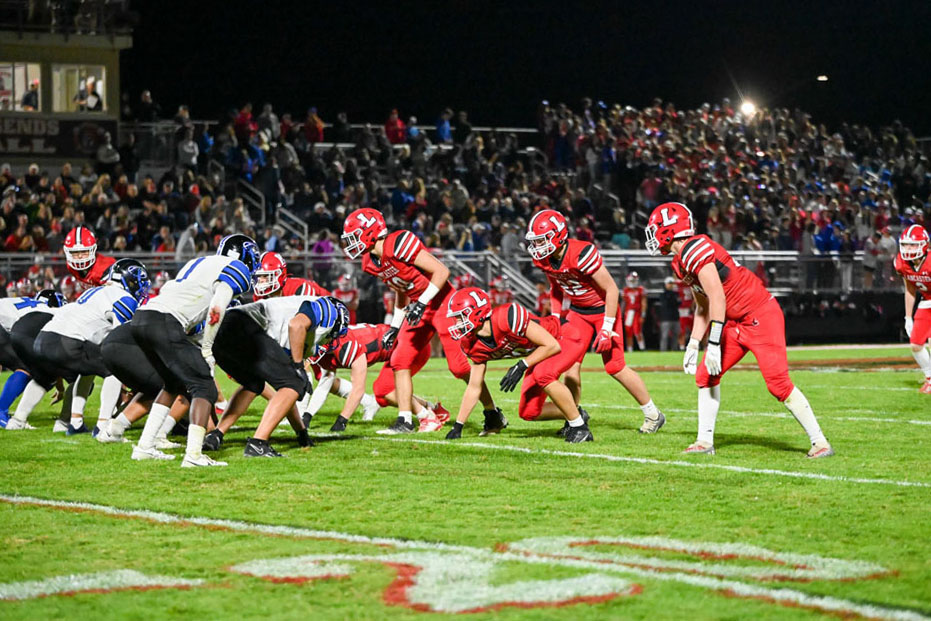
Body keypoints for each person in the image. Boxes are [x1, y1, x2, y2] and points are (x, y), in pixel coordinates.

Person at [645, 201, 833, 458]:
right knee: (705, 376)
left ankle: (820, 442)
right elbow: (703, 305)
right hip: (734, 322)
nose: (652, 234)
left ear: (669, 229)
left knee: (777, 384)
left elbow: (717, 297)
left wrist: (712, 344)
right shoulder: (680, 261)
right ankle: (704, 442)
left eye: (655, 228)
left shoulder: (694, 249)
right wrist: (693, 342)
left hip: (760, 316)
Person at [342, 208, 502, 434]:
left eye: (355, 234)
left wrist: (422, 302)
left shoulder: (397, 243)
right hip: (419, 307)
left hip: (444, 304)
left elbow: (441, 271)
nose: (352, 242)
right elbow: (400, 288)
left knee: (459, 367)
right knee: (399, 360)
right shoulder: (371, 261)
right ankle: (405, 420)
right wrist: (395, 326)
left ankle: (492, 412)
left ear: (370, 231)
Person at [525, 209, 665, 434]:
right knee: (570, 366)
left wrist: (607, 328)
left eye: (542, 239)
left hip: (603, 311)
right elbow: (555, 287)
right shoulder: (544, 258)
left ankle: (653, 414)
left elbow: (611, 289)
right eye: (536, 240)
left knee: (615, 367)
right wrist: (555, 317)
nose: (538, 245)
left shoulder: (581, 253)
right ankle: (574, 419)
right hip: (578, 313)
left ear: (558, 235)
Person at [129, 234, 260, 467]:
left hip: (144, 317)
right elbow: (217, 308)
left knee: (172, 384)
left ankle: (145, 446)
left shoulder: (199, 262)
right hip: (165, 321)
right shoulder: (236, 268)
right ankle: (194, 455)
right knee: (204, 386)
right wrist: (207, 349)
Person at [6, 267, 148, 433]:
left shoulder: (95, 292)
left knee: (45, 378)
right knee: (112, 368)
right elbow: (120, 340)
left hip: (43, 339)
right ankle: (103, 425)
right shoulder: (123, 297)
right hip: (69, 341)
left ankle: (20, 421)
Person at [444, 288, 592, 442]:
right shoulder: (472, 345)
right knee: (529, 412)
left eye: (461, 317)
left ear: (477, 312)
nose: (458, 323)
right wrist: (458, 426)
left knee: (543, 374)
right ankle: (576, 414)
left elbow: (551, 345)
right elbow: (474, 386)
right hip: (541, 353)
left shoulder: (506, 317)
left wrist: (522, 365)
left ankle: (579, 428)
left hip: (564, 337)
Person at [206, 295, 335, 457]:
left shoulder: (288, 326)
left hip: (222, 329)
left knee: (254, 383)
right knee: (292, 382)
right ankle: (258, 443)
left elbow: (286, 396)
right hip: (243, 324)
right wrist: (298, 366)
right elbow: (296, 324)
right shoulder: (330, 308)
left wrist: (301, 432)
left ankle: (216, 435)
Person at [306, 322, 447, 432]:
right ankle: (433, 409)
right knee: (381, 397)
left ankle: (427, 417)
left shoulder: (345, 345)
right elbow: (325, 384)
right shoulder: (323, 346)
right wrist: (307, 416)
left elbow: (358, 389)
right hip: (398, 350)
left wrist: (342, 419)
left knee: (383, 389)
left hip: (412, 347)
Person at [0, 290, 66, 428]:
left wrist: (60, 387)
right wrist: (60, 387)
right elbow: (51, 359)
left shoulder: (26, 303)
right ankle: (1, 411)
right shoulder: (47, 312)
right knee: (27, 368)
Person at [894, 225, 931, 393]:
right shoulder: (902, 263)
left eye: (912, 245)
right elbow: (909, 289)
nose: (908, 249)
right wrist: (908, 317)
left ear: (923, 244)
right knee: (916, 344)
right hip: (926, 301)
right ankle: (930, 378)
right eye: (906, 245)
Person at [252, 251, 329, 301]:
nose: (260, 280)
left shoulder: (298, 289)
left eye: (265, 276)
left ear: (279, 275)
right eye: (258, 276)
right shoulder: (260, 295)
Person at [622, 272, 647, 351]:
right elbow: (623, 303)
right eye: (631, 281)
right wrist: (621, 314)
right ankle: (630, 349)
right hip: (628, 312)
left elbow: (644, 303)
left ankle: (642, 348)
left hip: (637, 312)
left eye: (633, 281)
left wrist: (643, 315)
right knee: (628, 332)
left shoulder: (641, 289)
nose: (632, 283)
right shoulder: (625, 290)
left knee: (637, 331)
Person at [658, 277, 681, 352]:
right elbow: (667, 304)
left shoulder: (676, 294)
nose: (671, 285)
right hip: (666, 318)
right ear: (665, 284)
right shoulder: (663, 294)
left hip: (675, 317)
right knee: (664, 336)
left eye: (672, 284)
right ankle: (663, 350)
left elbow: (679, 303)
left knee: (675, 335)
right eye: (669, 283)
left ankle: (674, 350)